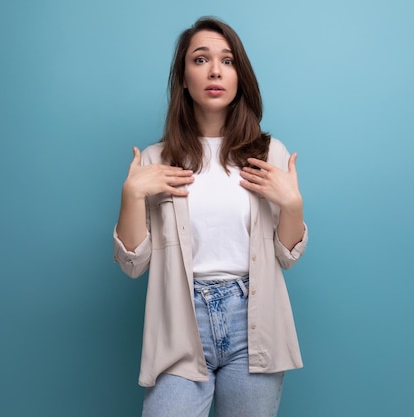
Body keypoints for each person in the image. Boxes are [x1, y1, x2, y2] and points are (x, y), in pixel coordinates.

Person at [113, 16, 308, 417]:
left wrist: (292, 205)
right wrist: (131, 194)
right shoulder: (156, 160)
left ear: (240, 77)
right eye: (200, 60)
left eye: (228, 61)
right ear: (183, 78)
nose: (215, 70)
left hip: (253, 322)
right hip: (179, 322)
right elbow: (133, 265)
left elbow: (288, 256)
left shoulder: (268, 154)